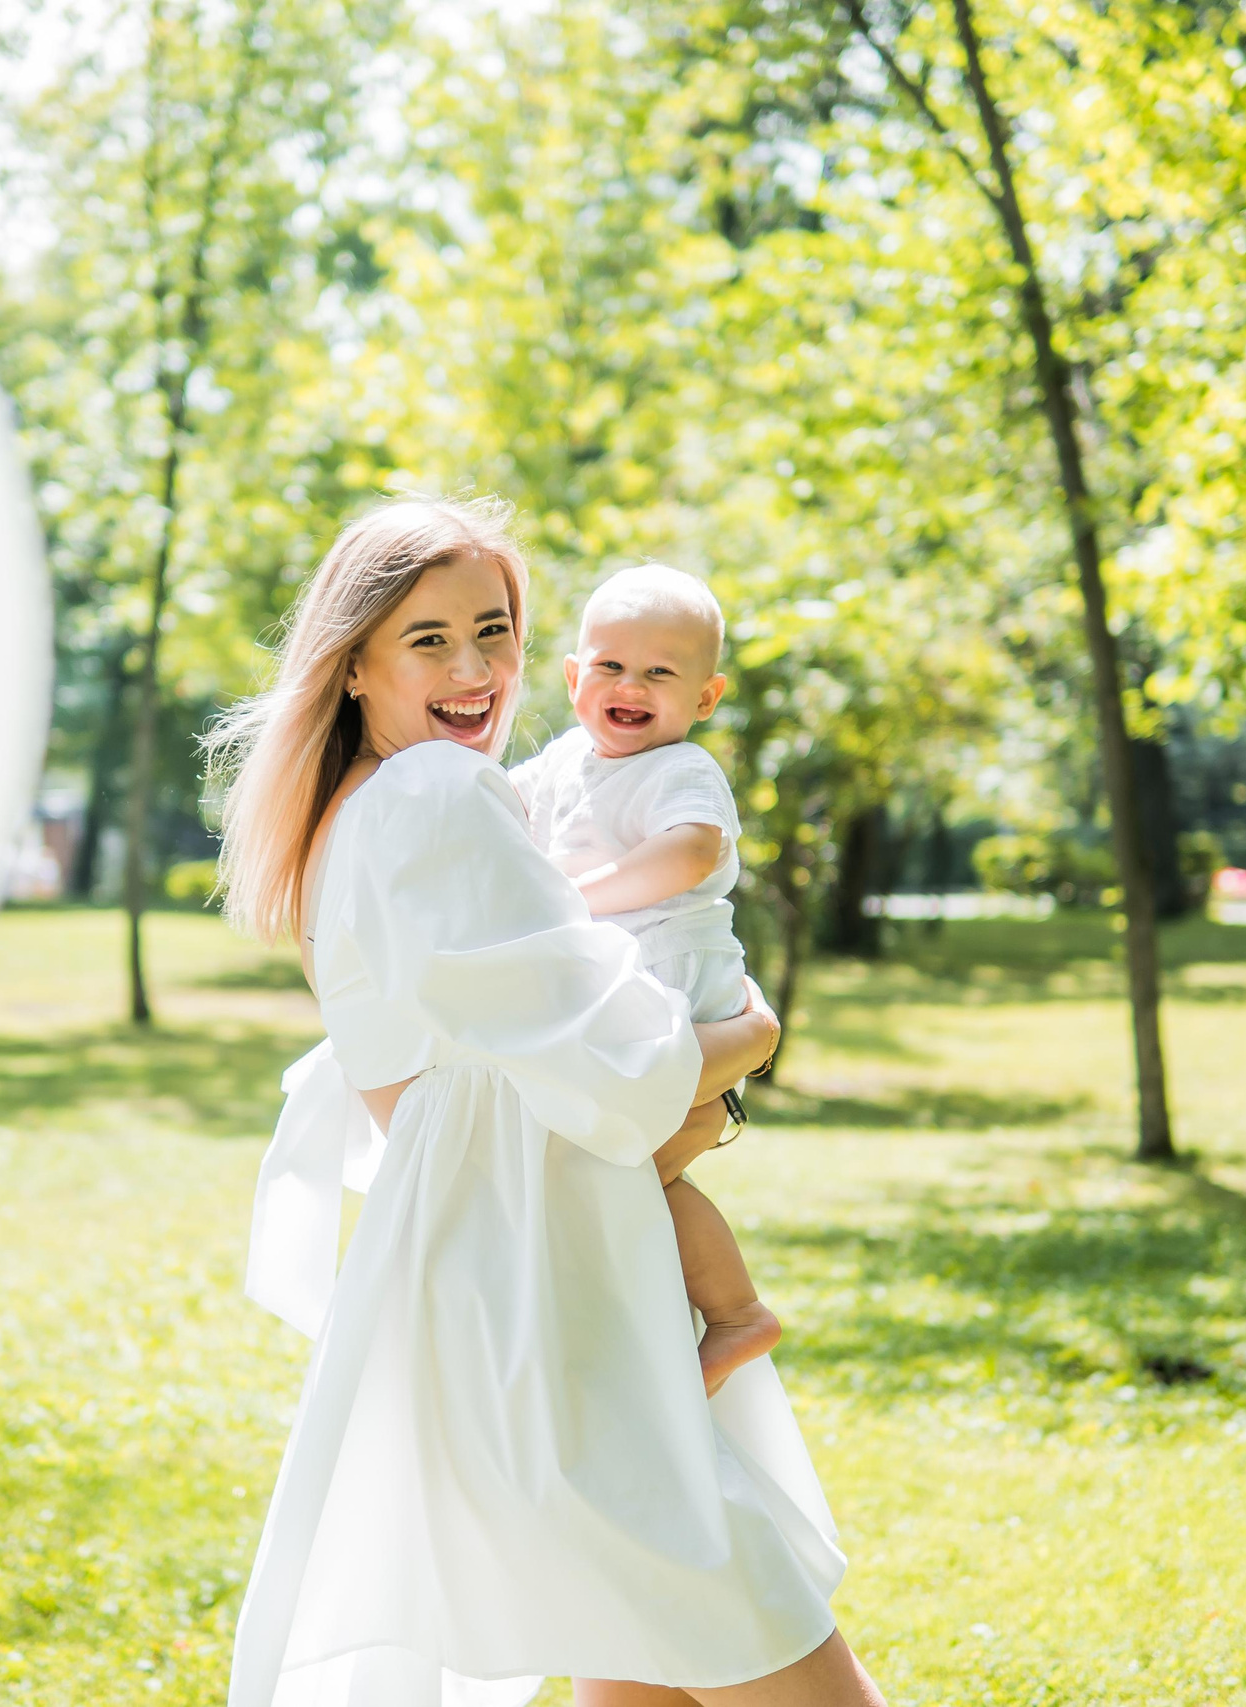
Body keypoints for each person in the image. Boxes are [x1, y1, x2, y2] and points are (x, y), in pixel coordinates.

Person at [207, 496, 886, 1707]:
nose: (475, 672)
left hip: (489, 1287)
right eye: (428, 640)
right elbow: (611, 1061)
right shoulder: (436, 796)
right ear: (353, 660)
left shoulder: (346, 813)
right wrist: (749, 1038)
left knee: (637, 1640)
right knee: (739, 1621)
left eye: (496, 631)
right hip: (544, 1297)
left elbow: (442, 1075)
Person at [512, 563, 777, 1396]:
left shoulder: (680, 770)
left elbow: (690, 852)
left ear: (706, 696)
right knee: (629, 1182)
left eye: (660, 672)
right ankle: (715, 1317)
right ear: (573, 677)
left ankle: (732, 1313)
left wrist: (575, 899)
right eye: (611, 665)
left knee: (609, 1179)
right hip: (630, 1004)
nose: (631, 686)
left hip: (678, 996)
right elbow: (501, 811)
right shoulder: (565, 760)